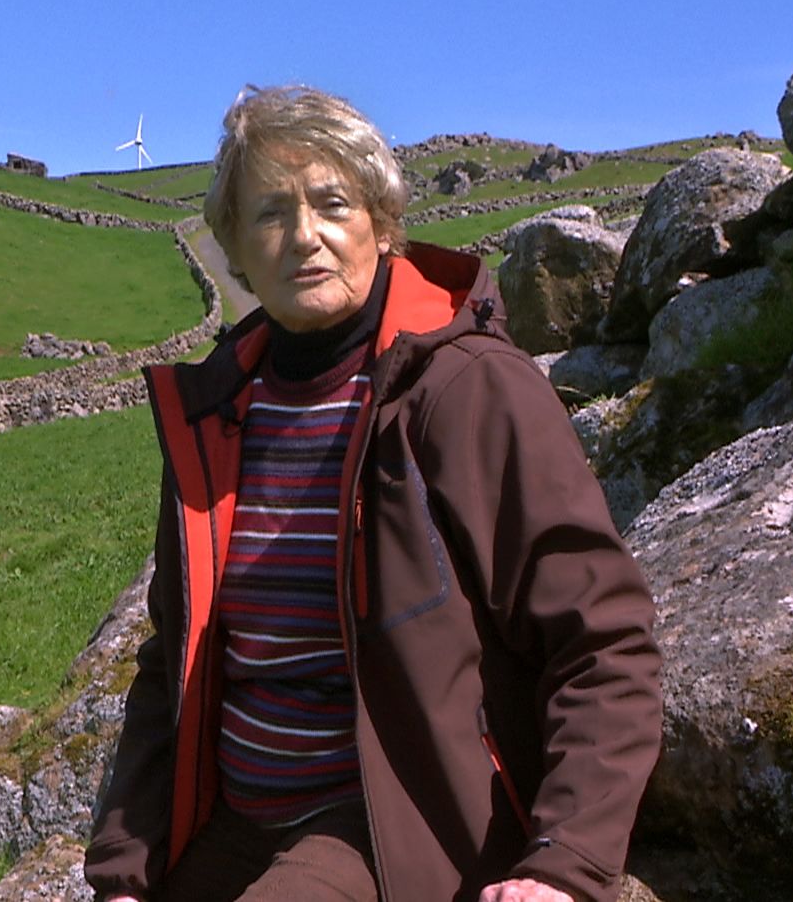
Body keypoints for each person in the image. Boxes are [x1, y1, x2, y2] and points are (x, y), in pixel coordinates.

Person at [82, 86, 661, 902]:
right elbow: (168, 660)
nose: (305, 237)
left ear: (382, 225)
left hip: (392, 821)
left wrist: (566, 862)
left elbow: (601, 638)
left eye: (332, 204)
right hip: (235, 816)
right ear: (233, 248)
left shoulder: (464, 388)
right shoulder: (216, 412)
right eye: (270, 213)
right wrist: (122, 872)